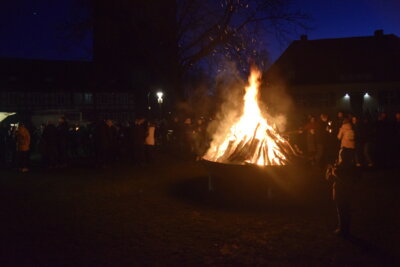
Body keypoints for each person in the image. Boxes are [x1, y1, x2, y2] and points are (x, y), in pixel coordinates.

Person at [326, 146, 361, 237]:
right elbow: (357, 179)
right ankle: (346, 229)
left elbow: (329, 178)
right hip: (350, 193)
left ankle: (342, 230)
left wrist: (330, 170)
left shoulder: (339, 169)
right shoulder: (353, 167)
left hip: (340, 193)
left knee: (341, 212)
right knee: (347, 211)